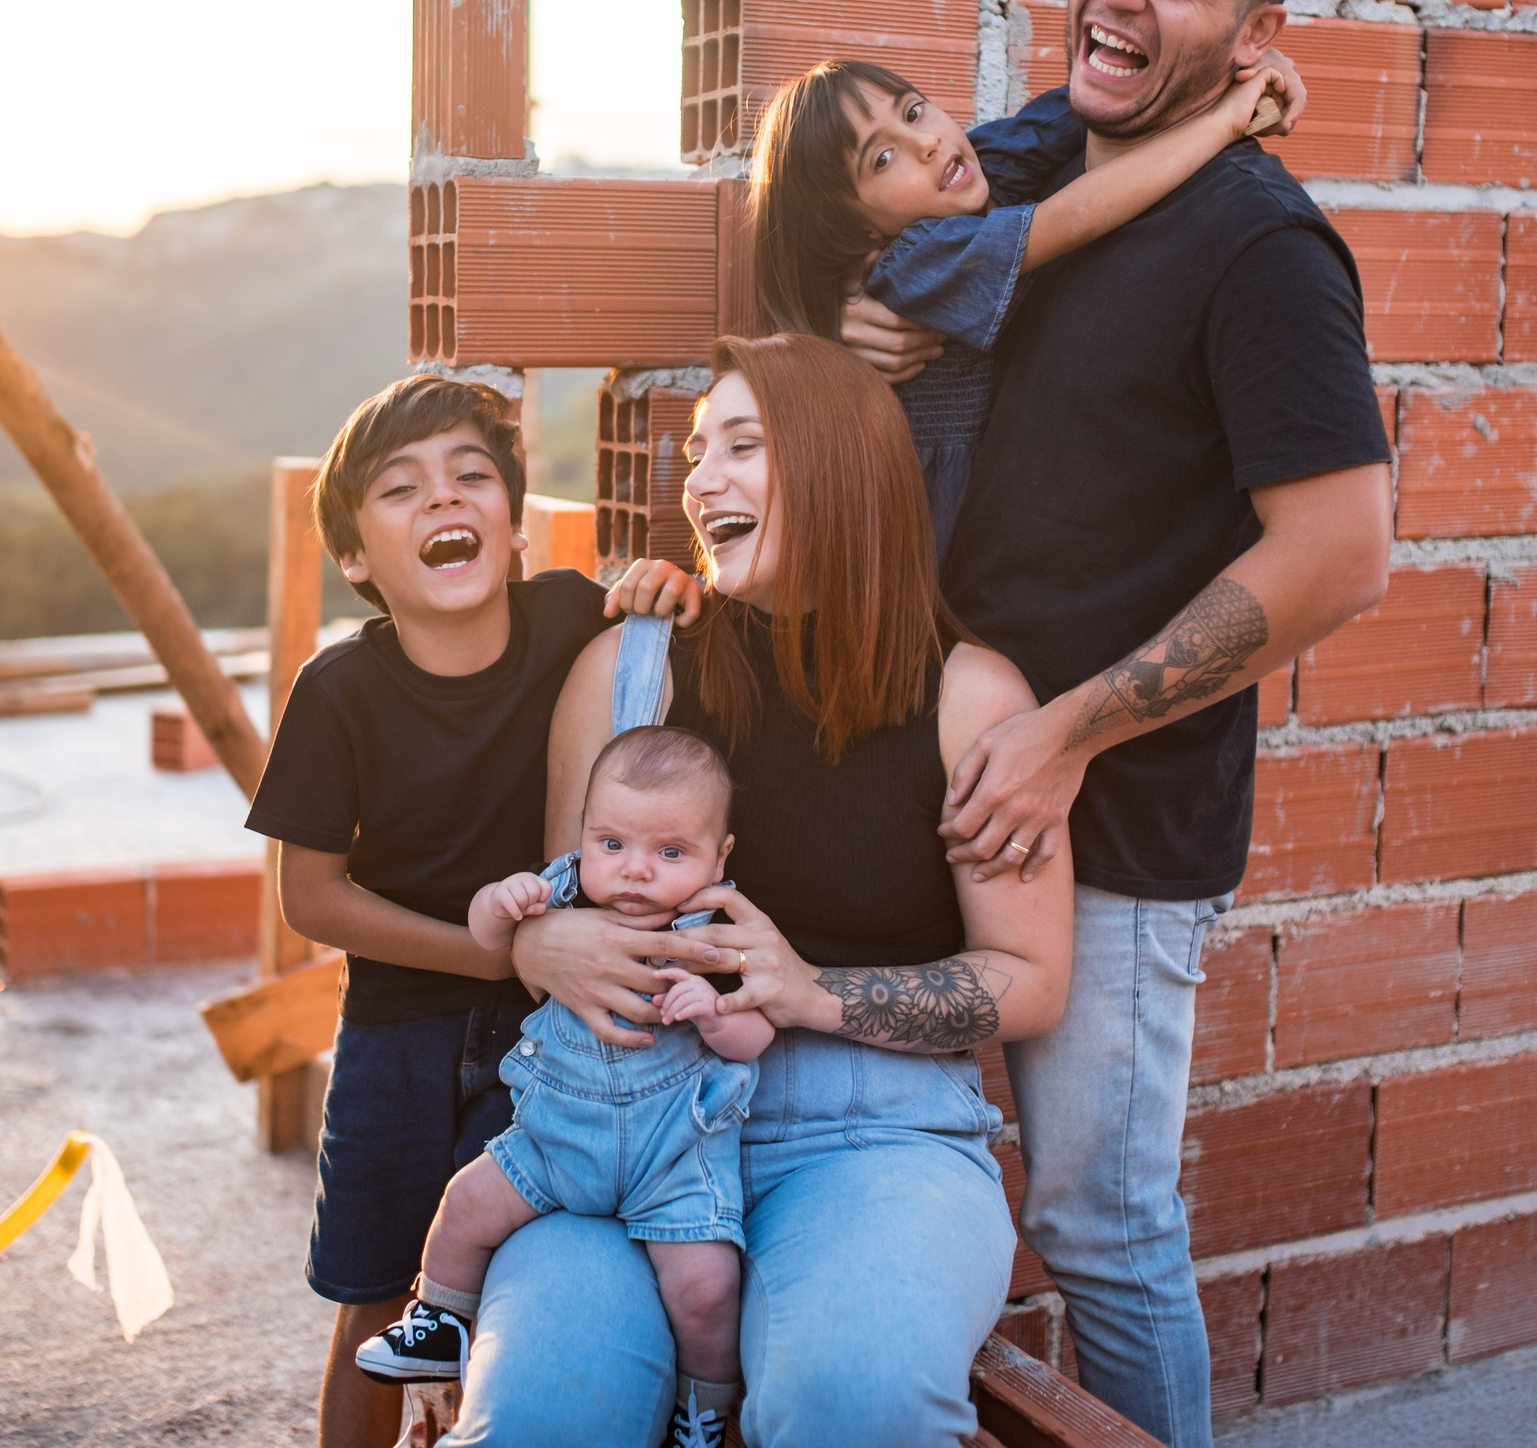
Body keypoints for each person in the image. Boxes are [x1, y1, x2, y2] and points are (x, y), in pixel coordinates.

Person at [843, 0, 1395, 1447]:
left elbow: (1342, 552)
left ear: (1256, 34)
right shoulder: (1020, 162)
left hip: (1116, 823)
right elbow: (861, 226)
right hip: (930, 780)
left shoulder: (1263, 246)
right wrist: (855, 316)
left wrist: (1070, 730)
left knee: (1098, 1228)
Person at [446, 334, 1078, 1448]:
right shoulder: (631, 670)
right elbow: (559, 914)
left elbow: (1029, 981)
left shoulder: (971, 694)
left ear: (842, 465)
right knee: (536, 1418)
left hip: (868, 1135)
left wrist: (808, 990)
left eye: (742, 444)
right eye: (698, 450)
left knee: (852, 1404)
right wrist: (535, 947)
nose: (700, 480)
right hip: (612, 1126)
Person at [240, 374, 713, 1448]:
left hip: (544, 1041)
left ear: (508, 522)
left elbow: (658, 608)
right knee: (374, 1296)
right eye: (401, 489)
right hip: (398, 1031)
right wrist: (494, 955)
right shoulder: (336, 692)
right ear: (356, 555)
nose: (443, 500)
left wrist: (663, 579)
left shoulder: (564, 613)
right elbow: (312, 895)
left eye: (470, 477)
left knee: (497, 1283)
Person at [356, 725, 771, 1446]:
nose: (635, 870)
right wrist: (502, 898)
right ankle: (441, 1320)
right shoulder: (565, 887)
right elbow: (488, 935)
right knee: (465, 1202)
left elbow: (758, 1032)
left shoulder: (720, 927)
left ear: (720, 853)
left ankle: (704, 1411)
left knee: (708, 1289)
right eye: (612, 843)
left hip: (671, 1162)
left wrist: (714, 1014)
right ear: (584, 833)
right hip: (556, 1142)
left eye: (670, 852)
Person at [747, 48, 1301, 552]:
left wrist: (1232, 65)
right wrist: (1220, 123)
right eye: (882, 160)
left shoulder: (978, 163)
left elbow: (1079, 107)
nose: (926, 143)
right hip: (947, 540)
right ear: (858, 232)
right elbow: (1078, 215)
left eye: (913, 112)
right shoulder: (913, 260)